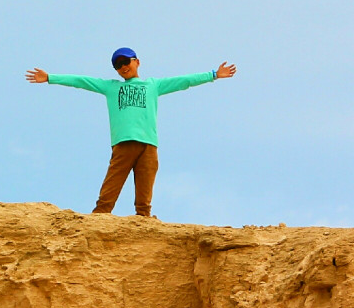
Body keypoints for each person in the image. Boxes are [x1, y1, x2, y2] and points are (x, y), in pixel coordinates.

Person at [26, 47, 236, 217]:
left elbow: (184, 81)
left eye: (126, 61)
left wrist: (213, 75)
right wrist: (50, 77)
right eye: (118, 65)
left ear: (137, 61)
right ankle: (100, 214)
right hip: (124, 142)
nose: (123, 67)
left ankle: (143, 218)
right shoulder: (111, 87)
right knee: (114, 179)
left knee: (146, 185)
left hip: (149, 144)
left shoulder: (153, 85)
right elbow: (81, 81)